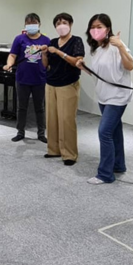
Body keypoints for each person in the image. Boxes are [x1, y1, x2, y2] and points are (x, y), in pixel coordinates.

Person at [76, 14, 133, 184]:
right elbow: (100, 74)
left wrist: (121, 46)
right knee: (115, 131)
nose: (95, 30)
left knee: (104, 132)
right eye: (93, 27)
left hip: (118, 96)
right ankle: (119, 165)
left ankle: (105, 174)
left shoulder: (117, 46)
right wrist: (84, 68)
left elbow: (129, 66)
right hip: (104, 96)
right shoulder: (97, 49)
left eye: (99, 26)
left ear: (108, 28)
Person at [42, 13, 85, 166]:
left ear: (71, 24)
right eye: (58, 23)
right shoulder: (52, 42)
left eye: (64, 22)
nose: (61, 26)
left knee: (66, 119)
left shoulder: (76, 41)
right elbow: (45, 65)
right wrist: (44, 53)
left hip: (68, 84)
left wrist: (59, 52)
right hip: (50, 83)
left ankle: (69, 154)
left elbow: (77, 62)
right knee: (51, 118)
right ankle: (53, 149)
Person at [3, 13, 50, 143]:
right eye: (28, 23)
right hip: (22, 78)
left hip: (39, 79)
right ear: (25, 25)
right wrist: (9, 64)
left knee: (40, 108)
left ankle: (41, 133)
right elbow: (12, 55)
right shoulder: (19, 39)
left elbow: (48, 61)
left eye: (34, 22)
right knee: (21, 107)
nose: (31, 25)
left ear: (39, 24)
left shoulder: (46, 40)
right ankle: (20, 132)